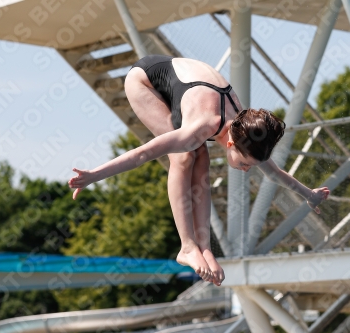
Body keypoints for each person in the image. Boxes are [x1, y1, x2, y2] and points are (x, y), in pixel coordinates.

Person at [68, 55, 330, 287]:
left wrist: (309, 194)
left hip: (187, 85)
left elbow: (274, 173)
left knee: (201, 159)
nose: (247, 169)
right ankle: (187, 247)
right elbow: (144, 153)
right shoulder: (202, 127)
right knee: (184, 158)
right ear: (230, 143)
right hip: (145, 81)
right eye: (244, 163)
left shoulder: (246, 130)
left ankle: (204, 248)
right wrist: (93, 176)